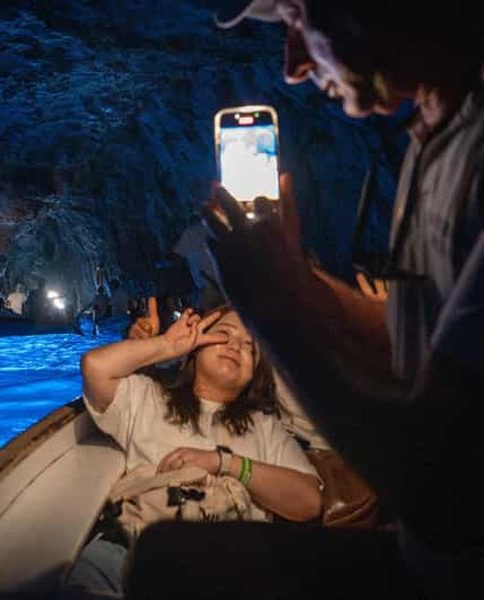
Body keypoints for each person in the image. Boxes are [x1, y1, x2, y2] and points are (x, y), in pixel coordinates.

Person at [137, 1, 484, 597]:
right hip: (429, 554)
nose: (294, 65)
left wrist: (273, 304)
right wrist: (292, 273)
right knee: (162, 556)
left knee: (166, 570)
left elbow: (446, 502)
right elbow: (416, 344)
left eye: (300, 19)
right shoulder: (439, 132)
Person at [67, 304, 321, 595]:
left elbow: (308, 501)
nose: (235, 346)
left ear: (255, 372)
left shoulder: (264, 426)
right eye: (223, 334)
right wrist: (164, 346)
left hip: (227, 559)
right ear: (195, 347)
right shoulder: (148, 397)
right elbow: (95, 367)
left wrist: (226, 463)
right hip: (134, 543)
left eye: (250, 347)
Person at [173, 213, 224, 312]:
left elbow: (177, 255)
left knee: (209, 310)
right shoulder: (208, 231)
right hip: (215, 278)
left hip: (206, 279)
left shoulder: (190, 233)